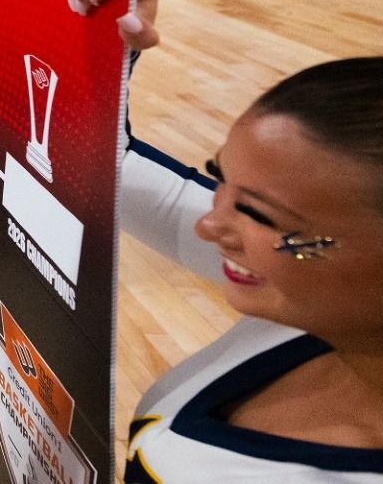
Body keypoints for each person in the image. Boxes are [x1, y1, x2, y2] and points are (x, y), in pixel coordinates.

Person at [104, 57, 383, 481]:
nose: (208, 224)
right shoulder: (320, 301)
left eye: (254, 211)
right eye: (220, 179)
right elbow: (108, 163)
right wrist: (104, 22)